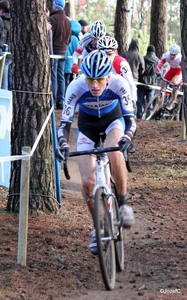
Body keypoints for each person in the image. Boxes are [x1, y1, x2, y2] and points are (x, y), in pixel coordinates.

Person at [56, 50, 136, 255]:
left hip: (113, 120)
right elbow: (64, 124)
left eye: (100, 79)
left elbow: (130, 120)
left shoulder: (119, 83)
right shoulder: (76, 86)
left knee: (115, 153)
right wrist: (63, 143)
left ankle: (123, 202)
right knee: (87, 182)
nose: (94, 85)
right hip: (87, 125)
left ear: (108, 76)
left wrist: (127, 137)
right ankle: (97, 228)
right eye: (90, 79)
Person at [97, 36, 137, 112]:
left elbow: (131, 84)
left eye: (110, 54)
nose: (107, 57)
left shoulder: (121, 63)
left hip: (118, 96)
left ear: (115, 51)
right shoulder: (95, 62)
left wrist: (132, 100)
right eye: (104, 54)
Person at [49, 0, 71, 109]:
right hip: (64, 51)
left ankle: (52, 100)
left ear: (55, 6)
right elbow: (70, 38)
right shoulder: (68, 21)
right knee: (61, 76)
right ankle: (61, 101)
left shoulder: (52, 19)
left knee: (53, 75)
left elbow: (49, 37)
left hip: (54, 51)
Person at [156, 44, 182, 110]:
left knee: (174, 82)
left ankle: (173, 101)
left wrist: (179, 81)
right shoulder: (166, 56)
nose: (172, 56)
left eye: (174, 55)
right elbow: (159, 65)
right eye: (171, 54)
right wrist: (158, 73)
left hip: (178, 71)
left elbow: (183, 70)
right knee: (162, 84)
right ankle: (160, 103)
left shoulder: (180, 59)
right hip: (170, 70)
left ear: (177, 54)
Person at [137, 45, 160, 119]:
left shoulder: (143, 58)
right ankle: (148, 118)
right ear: (154, 52)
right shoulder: (157, 60)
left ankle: (139, 117)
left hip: (142, 82)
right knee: (150, 102)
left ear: (147, 51)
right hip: (152, 83)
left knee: (140, 102)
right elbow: (159, 73)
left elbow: (140, 70)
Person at [64, 19, 81, 91]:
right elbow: (76, 52)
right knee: (69, 82)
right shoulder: (75, 39)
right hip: (70, 65)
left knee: (65, 82)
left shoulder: (65, 36)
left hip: (64, 65)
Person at [0, 0, 11, 90]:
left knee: (4, 77)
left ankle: (4, 95)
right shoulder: (14, 21)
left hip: (5, 53)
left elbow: (3, 37)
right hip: (12, 53)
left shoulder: (3, 22)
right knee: (10, 77)